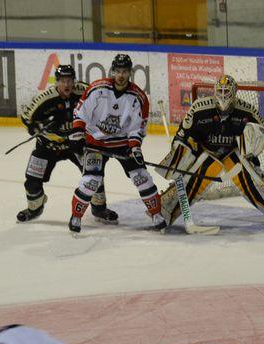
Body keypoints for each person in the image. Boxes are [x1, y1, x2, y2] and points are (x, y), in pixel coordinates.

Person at [156, 75, 264, 226]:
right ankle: (164, 211)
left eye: (226, 91)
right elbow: (183, 135)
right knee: (189, 181)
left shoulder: (247, 112)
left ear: (234, 92)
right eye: (220, 91)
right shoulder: (199, 108)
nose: (223, 95)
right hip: (206, 152)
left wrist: (251, 150)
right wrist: (179, 155)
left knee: (251, 178)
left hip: (232, 153)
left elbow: (261, 133)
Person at [67, 53, 165, 234]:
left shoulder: (138, 97)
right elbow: (81, 113)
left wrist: (134, 147)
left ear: (130, 72)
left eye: (125, 71)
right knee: (91, 181)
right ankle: (76, 217)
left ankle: (156, 214)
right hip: (96, 143)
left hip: (123, 144)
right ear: (113, 71)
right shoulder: (97, 89)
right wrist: (78, 135)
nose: (121, 75)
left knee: (142, 177)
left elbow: (137, 127)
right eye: (118, 71)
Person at [17, 64, 118, 225]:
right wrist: (41, 126)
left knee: (94, 174)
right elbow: (26, 118)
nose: (67, 85)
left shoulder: (84, 91)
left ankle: (99, 208)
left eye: (70, 80)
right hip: (48, 147)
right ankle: (34, 208)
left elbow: (102, 106)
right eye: (63, 81)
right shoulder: (45, 98)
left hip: (76, 144)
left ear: (74, 80)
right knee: (32, 182)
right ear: (56, 82)